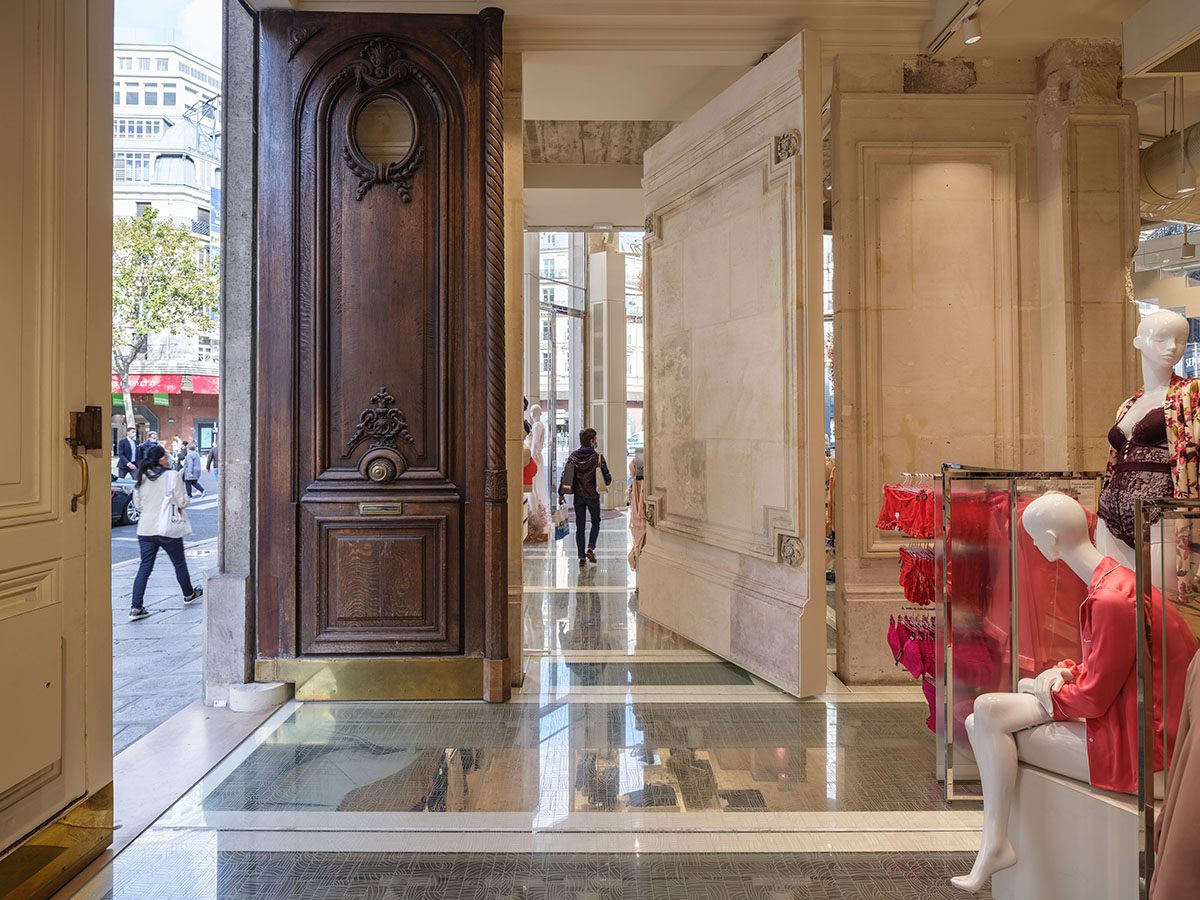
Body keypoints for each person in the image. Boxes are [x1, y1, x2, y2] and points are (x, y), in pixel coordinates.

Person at [128, 444, 203, 621]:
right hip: (167, 528)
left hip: (145, 529)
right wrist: (186, 499)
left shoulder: (142, 476)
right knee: (179, 563)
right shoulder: (172, 475)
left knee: (145, 567)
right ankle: (189, 594)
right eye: (167, 456)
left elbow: (138, 505)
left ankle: (136, 607)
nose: (169, 458)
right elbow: (181, 502)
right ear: (161, 459)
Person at [558, 427, 611, 567]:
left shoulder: (573, 457)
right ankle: (590, 547)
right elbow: (608, 479)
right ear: (592, 441)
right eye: (595, 439)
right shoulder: (598, 458)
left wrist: (561, 493)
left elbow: (565, 476)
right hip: (593, 496)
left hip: (579, 496)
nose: (596, 441)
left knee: (580, 526)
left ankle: (581, 556)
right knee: (596, 521)